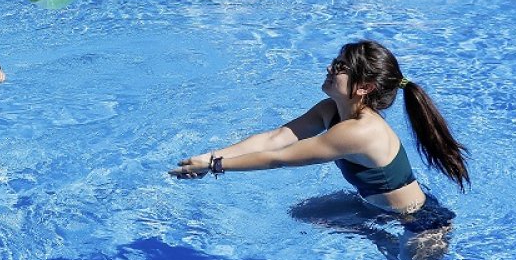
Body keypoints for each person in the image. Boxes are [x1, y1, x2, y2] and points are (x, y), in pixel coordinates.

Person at [170, 40, 469, 234]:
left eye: (340, 67)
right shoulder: (331, 110)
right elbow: (277, 138)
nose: (330, 68)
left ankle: (383, 238)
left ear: (363, 87)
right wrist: (211, 156)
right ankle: (376, 233)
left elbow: (279, 159)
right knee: (304, 213)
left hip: (419, 223)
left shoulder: (358, 131)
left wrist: (216, 166)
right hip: (374, 206)